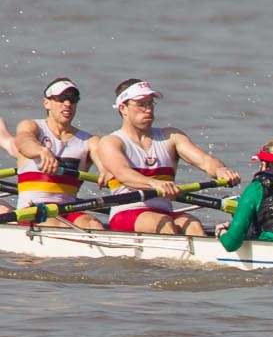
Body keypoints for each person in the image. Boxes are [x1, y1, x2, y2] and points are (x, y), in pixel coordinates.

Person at [87, 79, 240, 236]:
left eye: (151, 104)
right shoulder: (111, 142)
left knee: (193, 224)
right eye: (141, 104)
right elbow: (123, 174)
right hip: (127, 213)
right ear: (123, 108)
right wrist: (154, 183)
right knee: (164, 224)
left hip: (163, 212)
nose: (148, 110)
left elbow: (205, 161)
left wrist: (221, 169)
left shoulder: (171, 137)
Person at [12, 78, 104, 229]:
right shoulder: (32, 127)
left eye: (73, 99)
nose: (67, 104)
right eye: (61, 99)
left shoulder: (90, 140)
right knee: (60, 226)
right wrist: (42, 150)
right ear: (46, 103)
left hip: (69, 210)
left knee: (94, 224)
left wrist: (105, 169)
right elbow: (24, 143)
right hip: (33, 210)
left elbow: (103, 156)